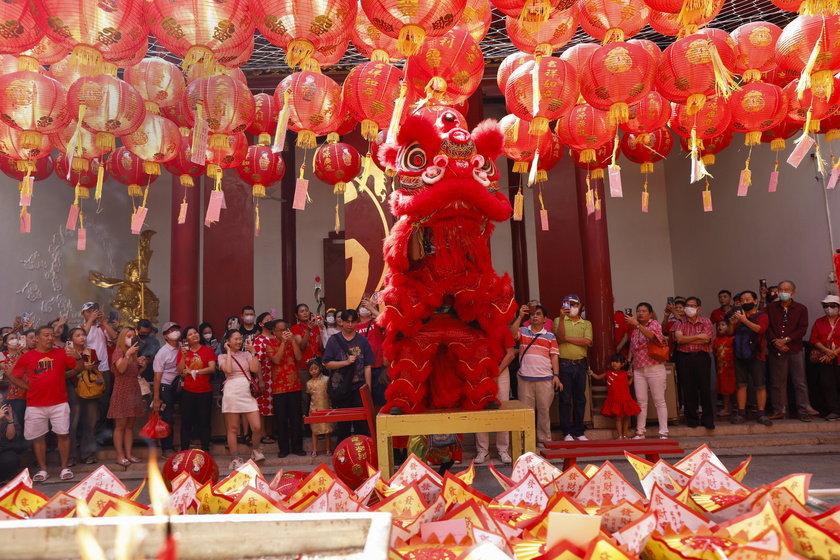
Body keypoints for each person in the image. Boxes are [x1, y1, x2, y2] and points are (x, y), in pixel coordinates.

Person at [9, 326, 83, 482]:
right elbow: (14, 377)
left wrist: (78, 357)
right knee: (38, 437)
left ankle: (64, 468)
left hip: (59, 402)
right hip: (35, 404)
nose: (50, 338)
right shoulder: (27, 357)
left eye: (52, 335)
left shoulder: (61, 353)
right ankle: (43, 470)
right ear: (37, 338)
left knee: (63, 434)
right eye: (46, 335)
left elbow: (78, 368)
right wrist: (30, 387)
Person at [510, 304, 562, 447]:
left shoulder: (550, 336)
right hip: (525, 378)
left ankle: (544, 439)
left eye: (538, 314)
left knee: (544, 411)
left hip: (545, 378)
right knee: (526, 412)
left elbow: (554, 357)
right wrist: (520, 316)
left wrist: (556, 375)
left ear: (545, 319)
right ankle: (526, 440)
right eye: (532, 314)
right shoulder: (523, 331)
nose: (534, 316)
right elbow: (513, 335)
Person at [765, 280, 815, 422]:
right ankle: (778, 409)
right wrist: (776, 342)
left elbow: (802, 329)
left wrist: (786, 340)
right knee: (777, 382)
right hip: (776, 349)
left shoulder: (801, 308)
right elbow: (767, 327)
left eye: (786, 290)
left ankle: (803, 410)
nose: (783, 292)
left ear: (793, 292)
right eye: (780, 290)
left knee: (799, 381)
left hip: (795, 349)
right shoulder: (770, 307)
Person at [322, 309, 374, 443]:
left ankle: (364, 452)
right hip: (341, 387)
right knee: (343, 424)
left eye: (352, 322)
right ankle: (342, 454)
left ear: (356, 322)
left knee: (361, 424)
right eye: (347, 322)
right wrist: (345, 362)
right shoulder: (334, 340)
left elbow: (368, 366)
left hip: (359, 387)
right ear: (342, 322)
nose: (350, 325)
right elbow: (327, 363)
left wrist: (367, 388)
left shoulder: (362, 340)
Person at [219, 330, 264, 469]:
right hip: (232, 391)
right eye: (235, 339)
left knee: (256, 426)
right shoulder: (221, 356)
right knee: (233, 428)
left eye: (240, 339)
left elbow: (254, 369)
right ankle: (235, 458)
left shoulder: (246, 354)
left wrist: (253, 352)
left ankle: (255, 451)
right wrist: (228, 352)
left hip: (247, 391)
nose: (239, 341)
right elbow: (228, 370)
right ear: (228, 341)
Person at [727, 291, 773, 426]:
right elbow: (730, 333)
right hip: (739, 356)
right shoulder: (737, 316)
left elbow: (761, 329)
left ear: (755, 300)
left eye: (748, 299)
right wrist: (731, 323)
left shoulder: (762, 315)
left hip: (757, 356)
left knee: (760, 385)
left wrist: (744, 320)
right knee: (741, 385)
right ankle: (741, 413)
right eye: (742, 300)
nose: (745, 302)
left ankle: (761, 413)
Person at [626, 303, 670, 439]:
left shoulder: (654, 323)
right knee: (641, 401)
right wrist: (630, 365)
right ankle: (640, 432)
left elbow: (654, 337)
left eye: (644, 311)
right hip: (639, 368)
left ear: (650, 313)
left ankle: (663, 432)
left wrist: (638, 325)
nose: (640, 314)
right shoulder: (634, 329)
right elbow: (633, 350)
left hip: (654, 367)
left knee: (659, 401)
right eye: (638, 311)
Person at [671, 296, 716, 429]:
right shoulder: (679, 321)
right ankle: (692, 419)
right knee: (688, 388)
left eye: (692, 306)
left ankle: (708, 419)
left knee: (704, 388)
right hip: (683, 357)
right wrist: (698, 337)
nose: (688, 308)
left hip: (701, 357)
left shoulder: (706, 321)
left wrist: (687, 338)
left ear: (698, 308)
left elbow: (707, 340)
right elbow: (679, 339)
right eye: (687, 306)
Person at [475, 326, 516, 464]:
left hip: (501, 369)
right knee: (480, 409)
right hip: (481, 371)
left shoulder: (502, 327)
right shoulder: (476, 327)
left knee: (502, 409)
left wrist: (497, 371)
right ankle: (482, 451)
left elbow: (510, 354)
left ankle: (503, 449)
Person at [554, 294, 592, 441]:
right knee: (565, 399)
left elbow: (587, 341)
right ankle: (566, 432)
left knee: (580, 399)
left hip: (580, 364)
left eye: (574, 304)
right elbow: (559, 337)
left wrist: (567, 340)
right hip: (564, 364)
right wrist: (562, 318)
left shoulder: (586, 323)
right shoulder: (558, 320)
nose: (572, 307)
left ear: (580, 305)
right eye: (568, 304)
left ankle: (579, 431)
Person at [108, 328, 147, 467]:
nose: (132, 338)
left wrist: (142, 366)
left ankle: (129, 454)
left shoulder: (134, 352)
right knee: (120, 425)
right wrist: (128, 355)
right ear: (122, 337)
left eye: (133, 336)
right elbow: (121, 369)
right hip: (121, 389)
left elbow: (134, 372)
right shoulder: (119, 351)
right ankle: (120, 455)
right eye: (129, 336)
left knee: (130, 425)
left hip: (133, 388)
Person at [175, 326, 217, 452]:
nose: (194, 335)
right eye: (190, 334)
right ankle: (184, 451)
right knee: (186, 422)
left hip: (204, 391)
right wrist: (183, 356)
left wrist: (194, 371)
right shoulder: (183, 351)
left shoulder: (207, 350)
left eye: (195, 333)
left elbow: (212, 368)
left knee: (205, 422)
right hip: (188, 391)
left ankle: (205, 450)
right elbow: (180, 371)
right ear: (185, 339)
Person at [66, 327, 102, 465]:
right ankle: (70, 456)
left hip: (90, 388)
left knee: (91, 422)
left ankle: (88, 454)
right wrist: (80, 367)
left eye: (83, 335)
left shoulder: (90, 352)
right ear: (71, 339)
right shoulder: (66, 352)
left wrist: (92, 367)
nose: (82, 338)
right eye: (78, 335)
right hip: (73, 388)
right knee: (72, 424)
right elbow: (64, 371)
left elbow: (96, 370)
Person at [269, 320, 304, 457]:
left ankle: (297, 447)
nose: (284, 332)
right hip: (279, 388)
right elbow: (276, 360)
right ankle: (283, 449)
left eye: (285, 329)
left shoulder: (292, 340)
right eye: (280, 330)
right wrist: (283, 343)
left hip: (295, 385)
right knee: (281, 420)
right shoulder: (270, 344)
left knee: (296, 418)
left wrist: (293, 341)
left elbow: (299, 357)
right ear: (274, 332)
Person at [80, 302, 117, 424]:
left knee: (104, 400)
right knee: (89, 401)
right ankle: (89, 432)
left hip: (103, 368)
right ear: (83, 314)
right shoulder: (80, 329)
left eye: (94, 311)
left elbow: (113, 337)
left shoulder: (101, 328)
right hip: (87, 369)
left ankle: (102, 431)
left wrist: (104, 322)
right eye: (89, 311)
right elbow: (82, 339)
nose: (92, 313)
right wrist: (90, 321)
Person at [589, 354, 640, 439]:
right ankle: (620, 436)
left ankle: (625, 435)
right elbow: (598, 377)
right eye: (613, 361)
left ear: (622, 364)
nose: (614, 364)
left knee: (627, 418)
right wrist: (591, 373)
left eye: (617, 362)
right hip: (615, 398)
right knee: (618, 419)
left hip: (625, 398)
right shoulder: (608, 373)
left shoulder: (625, 373)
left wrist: (632, 378)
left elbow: (628, 384)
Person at [809, 294, 840, 422]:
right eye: (825, 306)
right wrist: (827, 352)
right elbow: (814, 339)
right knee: (828, 384)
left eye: (832, 306)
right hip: (824, 358)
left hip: (837, 356)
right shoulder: (819, 321)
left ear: (838, 307)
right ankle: (835, 411)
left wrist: (835, 353)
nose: (828, 308)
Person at [152, 321, 182, 457]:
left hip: (180, 384)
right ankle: (167, 448)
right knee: (167, 417)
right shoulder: (162, 353)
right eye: (171, 331)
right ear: (165, 336)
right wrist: (156, 398)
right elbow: (157, 377)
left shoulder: (183, 347)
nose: (175, 332)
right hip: (166, 386)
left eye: (176, 329)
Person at [291, 304, 323, 426]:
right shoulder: (296, 328)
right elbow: (302, 346)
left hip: (317, 365)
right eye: (301, 311)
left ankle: (319, 423)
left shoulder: (316, 327)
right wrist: (308, 331)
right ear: (296, 315)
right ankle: (305, 425)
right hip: (303, 367)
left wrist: (321, 330)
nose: (305, 313)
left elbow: (321, 347)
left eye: (306, 310)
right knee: (305, 397)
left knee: (319, 395)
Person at [356, 296, 387, 406]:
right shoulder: (354, 326)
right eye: (362, 306)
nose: (364, 307)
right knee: (364, 402)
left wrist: (372, 308)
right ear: (358, 312)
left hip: (376, 367)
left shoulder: (376, 322)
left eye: (366, 305)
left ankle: (379, 422)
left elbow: (387, 322)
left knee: (380, 401)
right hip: (359, 370)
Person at [1, 332, 27, 451]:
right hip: (13, 394)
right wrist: (18, 356)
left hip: (29, 392)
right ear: (5, 343)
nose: (15, 340)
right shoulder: (3, 357)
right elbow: (10, 373)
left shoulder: (27, 353)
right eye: (11, 339)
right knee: (18, 421)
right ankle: (18, 450)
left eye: (16, 338)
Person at [252, 313, 275, 445]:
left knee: (272, 407)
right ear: (260, 324)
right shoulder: (259, 340)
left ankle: (270, 431)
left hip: (277, 376)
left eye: (271, 320)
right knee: (263, 406)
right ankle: (262, 433)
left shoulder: (276, 337)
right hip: (265, 376)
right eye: (267, 320)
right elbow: (258, 362)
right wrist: (260, 380)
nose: (270, 322)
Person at [305, 357, 333, 457]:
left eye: (315, 368)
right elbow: (308, 398)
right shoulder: (309, 383)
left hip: (326, 407)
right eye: (311, 369)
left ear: (320, 367)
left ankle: (328, 449)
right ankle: (314, 449)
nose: (313, 371)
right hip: (314, 409)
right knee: (315, 431)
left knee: (327, 431)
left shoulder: (326, 380)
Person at [713, 321, 736, 418]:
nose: (719, 326)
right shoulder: (716, 340)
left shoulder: (733, 339)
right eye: (719, 324)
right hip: (721, 368)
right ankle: (726, 408)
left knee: (735, 387)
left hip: (732, 367)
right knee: (724, 388)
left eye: (723, 324)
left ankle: (736, 407)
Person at [0, 393, 20, 483]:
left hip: (2, 449)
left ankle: (3, 478)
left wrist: (10, 421)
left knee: (11, 458)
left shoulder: (7, 412)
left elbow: (10, 436)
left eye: (1, 400)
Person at [136, 319, 160, 384]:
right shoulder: (133, 341)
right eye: (143, 333)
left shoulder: (155, 342)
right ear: (137, 330)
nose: (145, 334)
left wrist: (150, 359)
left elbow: (158, 357)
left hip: (151, 373)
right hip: (137, 374)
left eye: (148, 333)